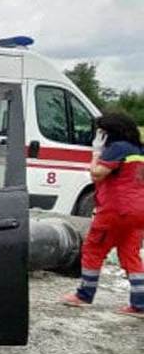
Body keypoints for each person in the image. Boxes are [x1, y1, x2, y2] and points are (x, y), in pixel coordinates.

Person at [61, 113, 144, 317]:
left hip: (115, 210)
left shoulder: (117, 149)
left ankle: (84, 295)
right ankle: (140, 304)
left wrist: (96, 153)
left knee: (94, 249)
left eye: (101, 132)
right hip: (138, 211)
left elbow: (97, 173)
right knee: (130, 254)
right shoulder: (139, 150)